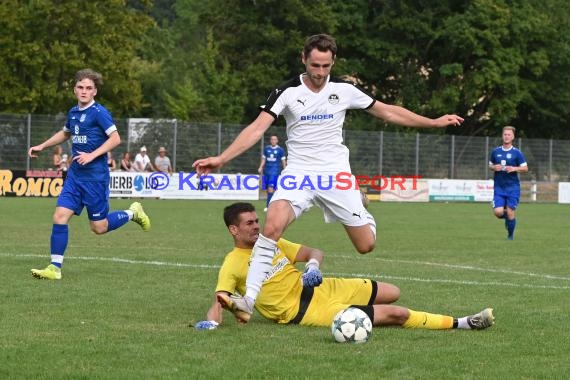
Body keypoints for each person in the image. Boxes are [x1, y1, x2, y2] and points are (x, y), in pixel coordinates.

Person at [192, 34, 464, 320]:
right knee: (272, 226)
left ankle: (359, 201)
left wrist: (432, 122)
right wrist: (221, 158)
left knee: (366, 245)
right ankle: (249, 299)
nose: (320, 73)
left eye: (325, 66)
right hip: (299, 172)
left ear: (333, 62)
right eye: (314, 65)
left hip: (336, 176)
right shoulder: (286, 91)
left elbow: (387, 112)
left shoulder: (344, 90)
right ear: (303, 59)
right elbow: (257, 128)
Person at [193, 202, 494, 331]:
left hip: (323, 287)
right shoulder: (232, 264)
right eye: (249, 224)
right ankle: (465, 322)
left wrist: (312, 265)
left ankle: (354, 303)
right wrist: (212, 323)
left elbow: (315, 250)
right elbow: (220, 298)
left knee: (393, 292)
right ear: (233, 230)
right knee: (397, 314)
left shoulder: (270, 243)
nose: (258, 227)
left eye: (258, 220)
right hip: (306, 310)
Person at [27, 68, 151, 280]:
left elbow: (115, 139)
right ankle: (54, 268)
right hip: (76, 177)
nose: (84, 91)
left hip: (95, 178)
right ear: (75, 89)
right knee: (59, 216)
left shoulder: (99, 113)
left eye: (89, 88)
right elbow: (66, 133)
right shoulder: (73, 112)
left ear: (94, 92)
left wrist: (92, 155)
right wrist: (43, 145)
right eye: (80, 87)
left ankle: (133, 213)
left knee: (99, 228)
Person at [489, 126, 528, 240]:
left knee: (510, 212)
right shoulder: (496, 151)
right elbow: (490, 165)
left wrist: (514, 169)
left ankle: (510, 236)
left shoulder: (517, 153)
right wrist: (493, 167)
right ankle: (508, 218)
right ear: (502, 136)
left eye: (509, 135)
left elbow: (525, 168)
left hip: (513, 187)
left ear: (513, 137)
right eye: (505, 134)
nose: (506, 136)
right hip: (499, 187)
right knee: (498, 212)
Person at [258, 135, 286, 212]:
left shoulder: (280, 150)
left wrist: (285, 170)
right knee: (267, 190)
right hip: (267, 171)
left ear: (277, 141)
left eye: (275, 139)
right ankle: (273, 203)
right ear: (270, 141)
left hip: (275, 171)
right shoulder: (267, 149)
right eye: (272, 139)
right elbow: (264, 159)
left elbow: (283, 161)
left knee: (270, 189)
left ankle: (268, 206)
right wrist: (260, 167)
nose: (273, 140)